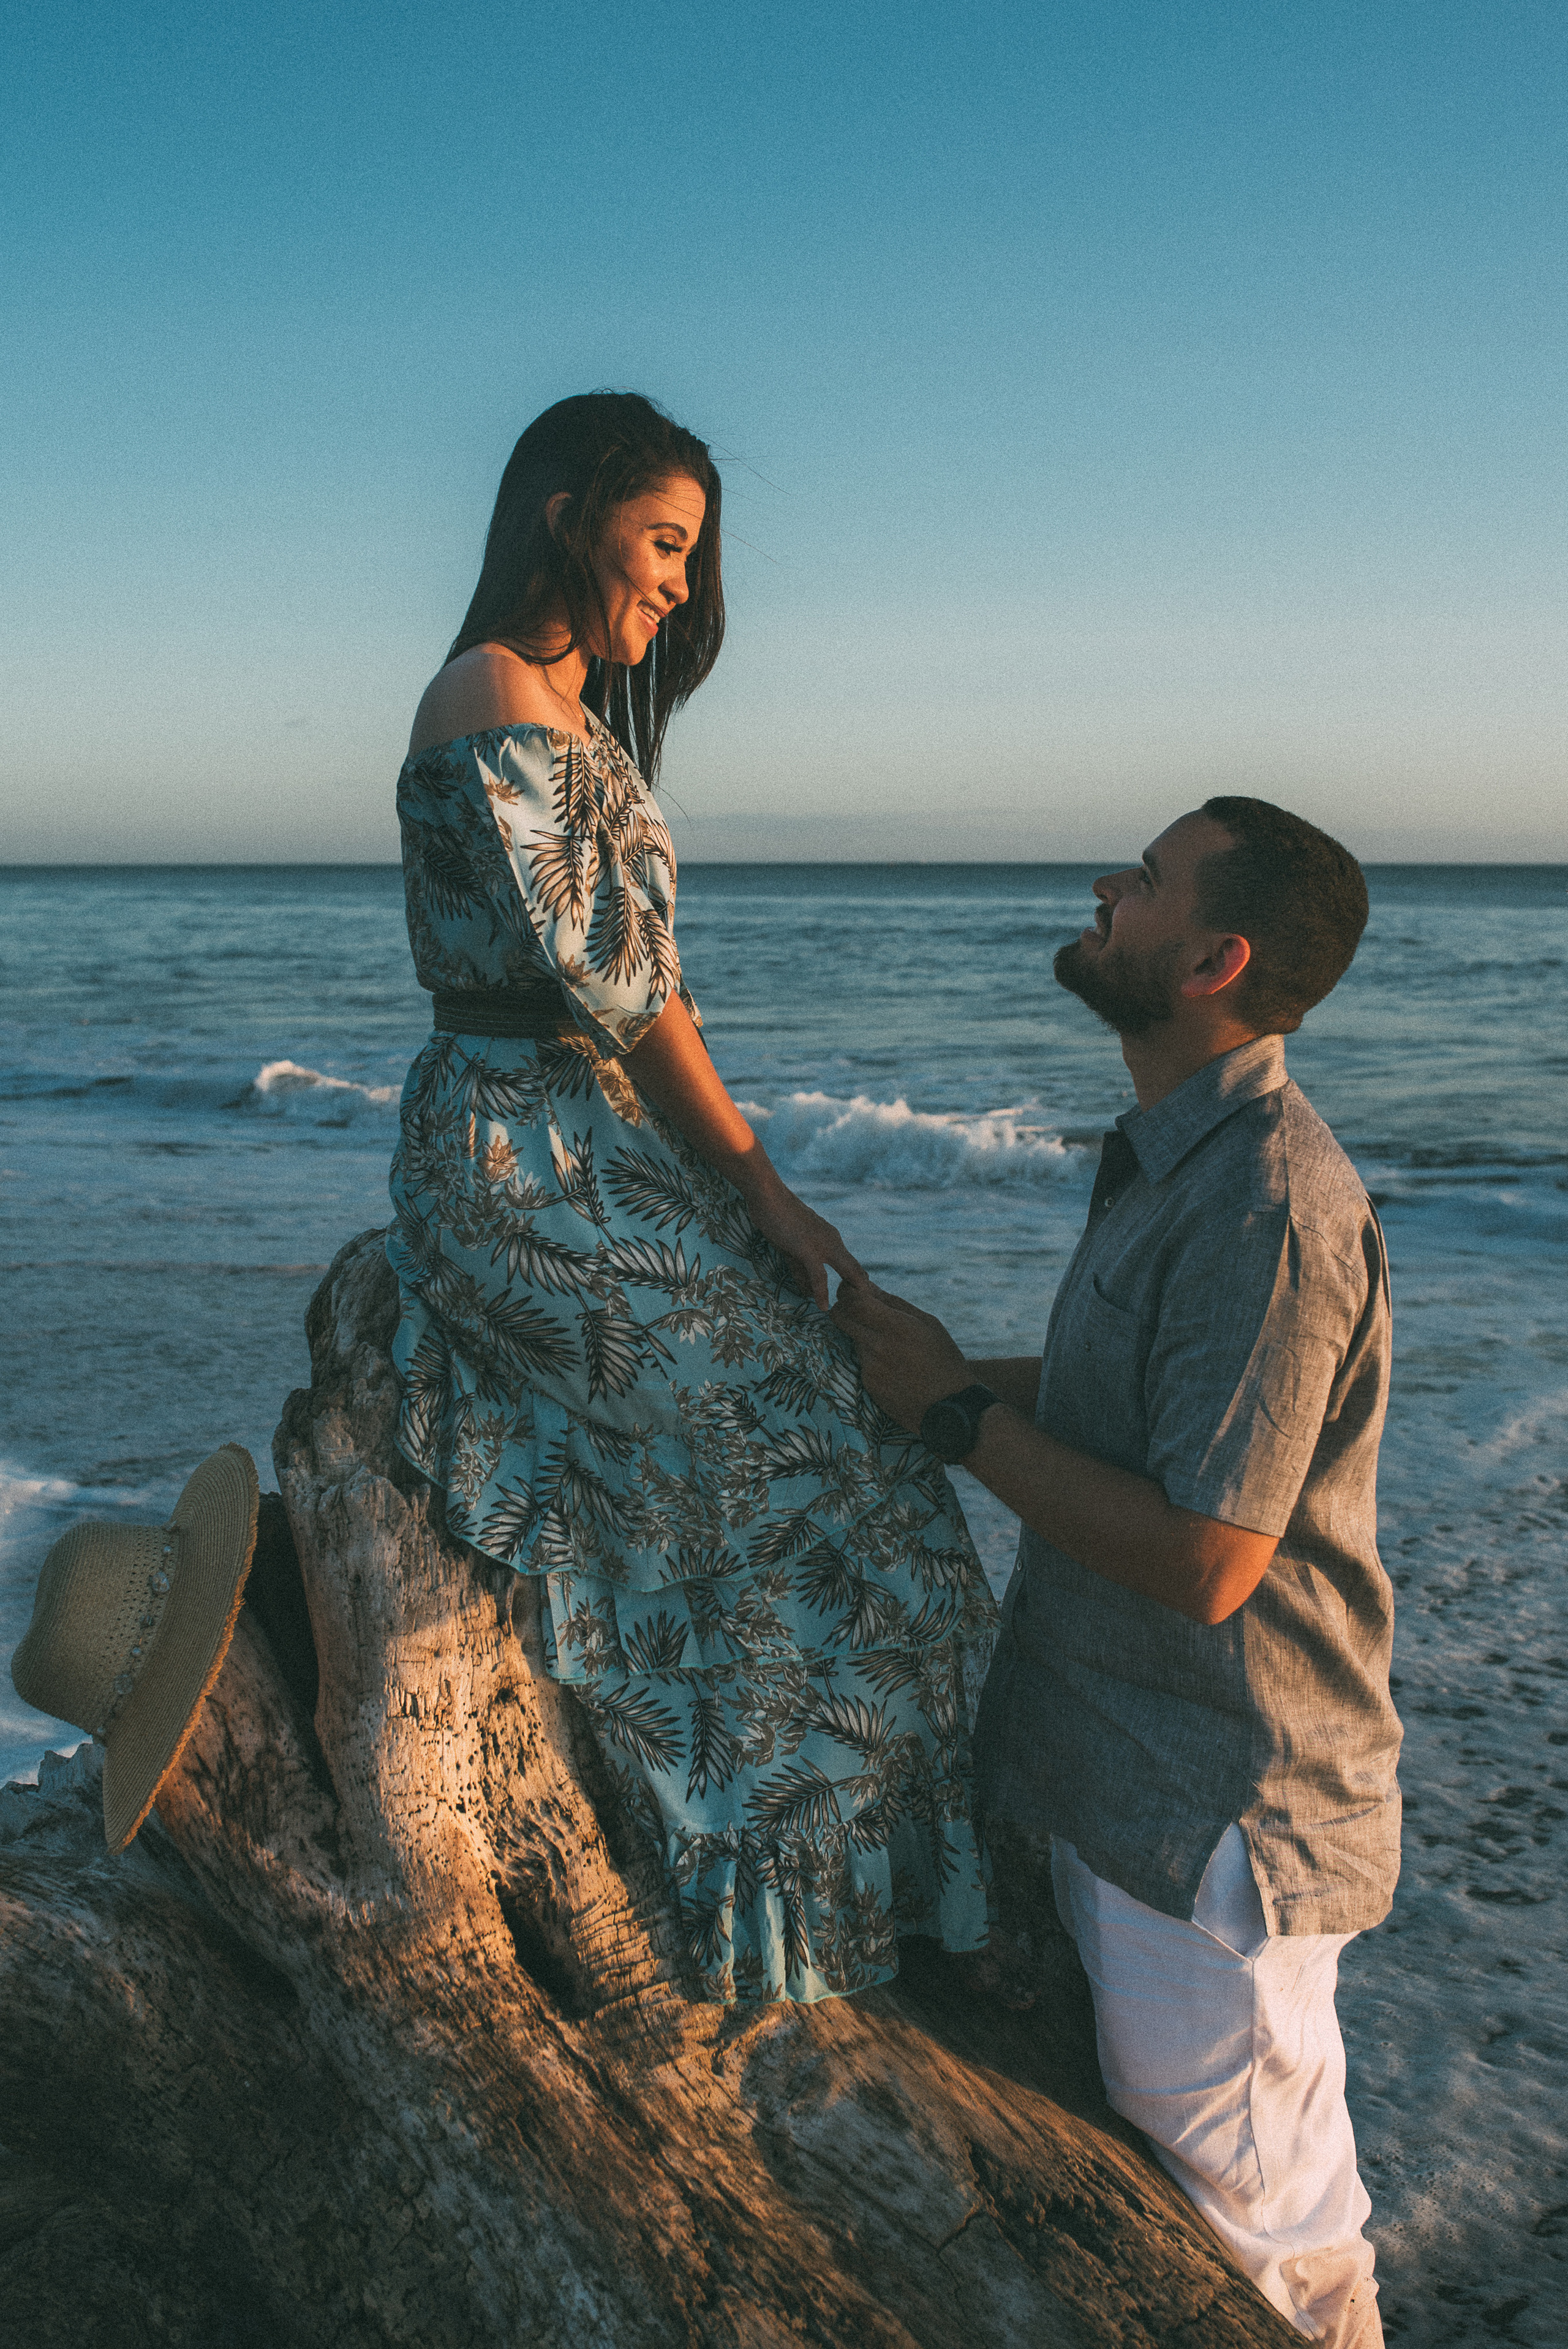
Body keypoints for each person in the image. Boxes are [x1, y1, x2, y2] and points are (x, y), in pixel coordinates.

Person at [385, 392, 995, 2007]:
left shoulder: (574, 713)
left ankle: (856, 1896)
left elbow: (664, 999)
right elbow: (624, 998)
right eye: (662, 544)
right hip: (522, 1150)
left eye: (690, 560)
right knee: (770, 1457)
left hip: (600, 1138)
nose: (676, 586)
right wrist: (768, 1193)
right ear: (565, 510)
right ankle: (741, 1902)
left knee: (854, 1447)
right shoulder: (490, 693)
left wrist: (739, 1185)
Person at [832, 798, 1398, 2348]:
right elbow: (1126, 1427)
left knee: (1267, 2261)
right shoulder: (1177, 1160)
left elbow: (1210, 1558)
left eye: (1141, 880)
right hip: (1128, 1781)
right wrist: (937, 1372)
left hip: (1215, 1820)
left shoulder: (1263, 1203)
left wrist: (949, 1419)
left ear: (1212, 957)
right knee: (1191, 2240)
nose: (1104, 885)